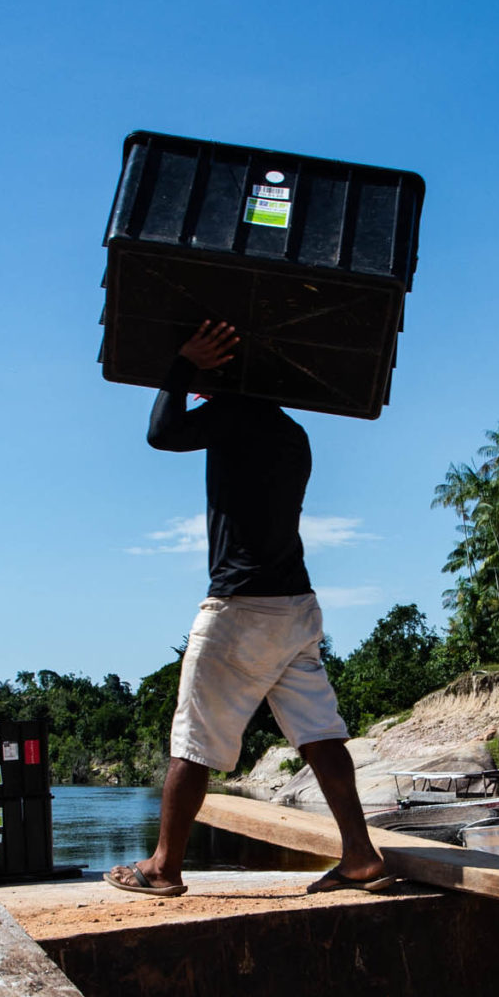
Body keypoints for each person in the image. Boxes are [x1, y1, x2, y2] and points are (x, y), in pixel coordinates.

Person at [107, 319, 390, 899]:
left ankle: (163, 867)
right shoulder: (293, 433)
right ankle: (360, 855)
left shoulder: (234, 414)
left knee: (193, 739)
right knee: (319, 735)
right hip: (297, 606)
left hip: (240, 609)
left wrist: (183, 363)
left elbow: (161, 432)